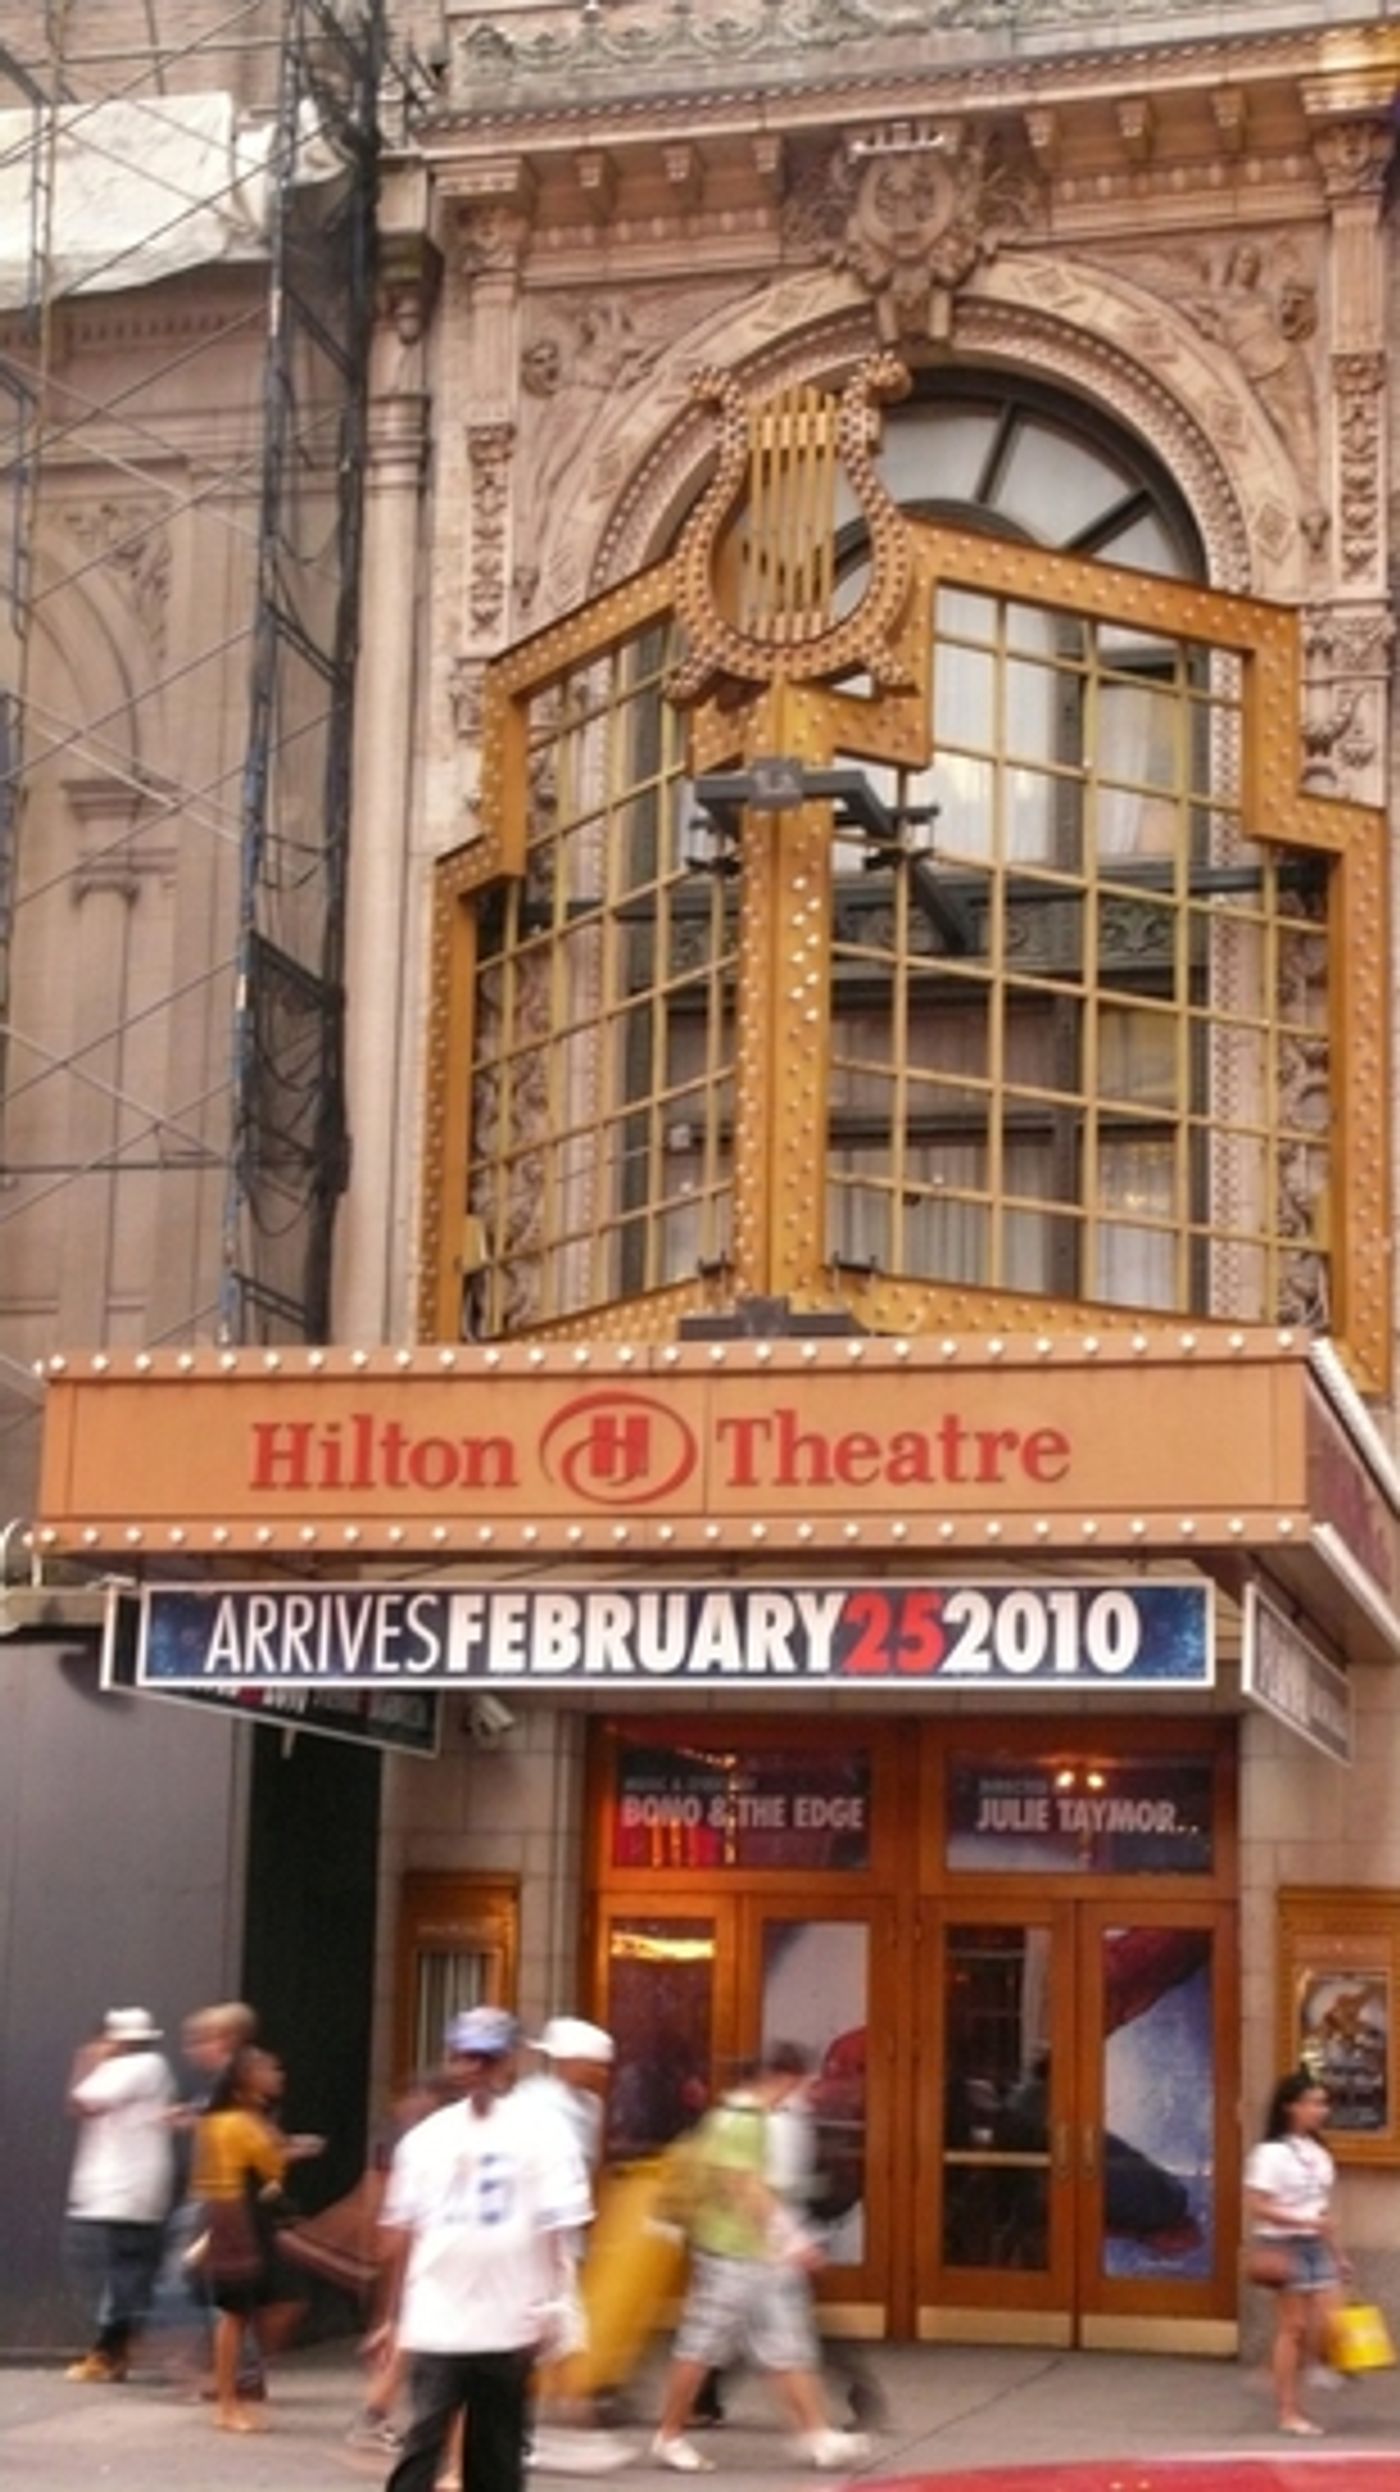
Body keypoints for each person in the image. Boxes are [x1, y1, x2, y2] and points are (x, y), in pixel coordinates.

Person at [372, 2004, 593, 2492]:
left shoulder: (543, 2134)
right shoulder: (427, 2139)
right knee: (424, 2443)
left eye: (486, 2059)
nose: (473, 2069)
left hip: (509, 2317)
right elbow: (404, 2231)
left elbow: (559, 2229)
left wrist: (559, 2303)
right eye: (464, 2057)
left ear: (509, 2062)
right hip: (439, 2315)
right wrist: (393, 2317)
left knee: (498, 2454)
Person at [651, 2047, 870, 2474]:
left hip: (750, 2252)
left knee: (784, 2344)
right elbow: (746, 2187)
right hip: (732, 2251)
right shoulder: (745, 2122)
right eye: (799, 2085)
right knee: (704, 2345)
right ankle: (669, 2434)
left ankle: (817, 2434)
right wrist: (792, 2240)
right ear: (784, 2079)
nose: (799, 2096)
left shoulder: (731, 2116)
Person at [191, 2040, 303, 2431]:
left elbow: (270, 2166)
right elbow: (254, 2168)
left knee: (281, 2301)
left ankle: (242, 2379)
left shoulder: (253, 2118)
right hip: (235, 2219)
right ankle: (227, 2401)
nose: (276, 2075)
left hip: (255, 2217)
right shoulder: (230, 2123)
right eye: (265, 2070)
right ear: (243, 2083)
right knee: (235, 2313)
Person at [64, 2006, 176, 2384]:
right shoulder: (149, 2067)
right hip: (122, 2191)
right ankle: (114, 2348)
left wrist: (87, 2061)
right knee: (124, 2271)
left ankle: (111, 2351)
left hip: (124, 2192)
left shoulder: (136, 2066)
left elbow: (81, 2102)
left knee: (123, 2272)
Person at [1245, 2070, 1349, 2438]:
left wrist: (1338, 2253)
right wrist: (1300, 2220)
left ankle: (1291, 2367)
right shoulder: (1270, 2154)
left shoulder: (1319, 2153)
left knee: (1331, 2317)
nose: (1321, 2111)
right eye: (1313, 2103)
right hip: (1283, 2242)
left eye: (1323, 2104)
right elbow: (1257, 2204)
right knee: (1294, 2326)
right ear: (1291, 2107)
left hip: (1316, 2242)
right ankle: (1288, 2409)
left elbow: (1322, 2207)